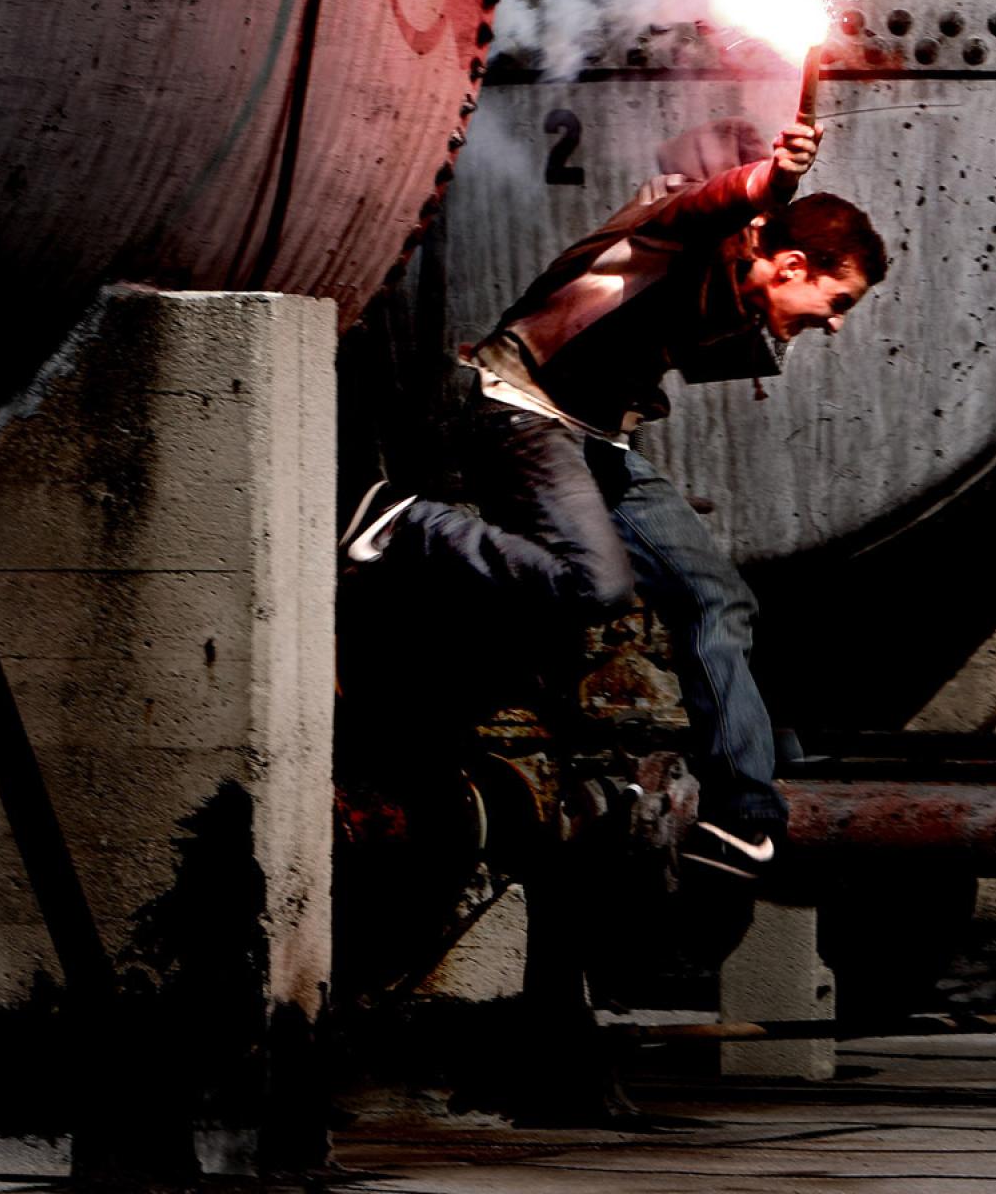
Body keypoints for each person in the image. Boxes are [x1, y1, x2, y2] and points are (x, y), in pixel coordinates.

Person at [344, 111, 888, 882]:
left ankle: (743, 816)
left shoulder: (739, 281)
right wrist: (777, 178)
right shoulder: (682, 233)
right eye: (838, 302)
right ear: (793, 265)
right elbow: (716, 201)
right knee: (595, 586)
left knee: (717, 599)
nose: (833, 325)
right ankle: (406, 524)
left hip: (598, 437)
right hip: (521, 409)